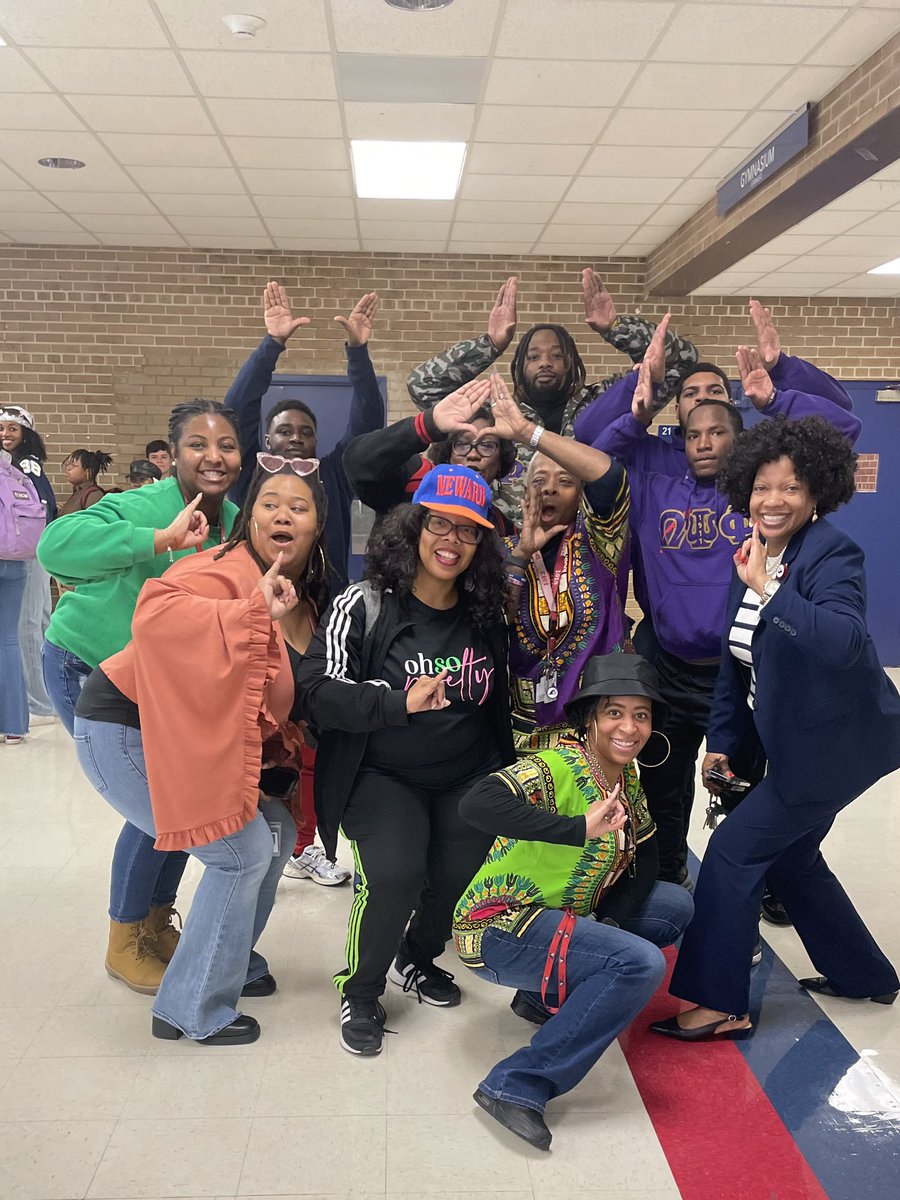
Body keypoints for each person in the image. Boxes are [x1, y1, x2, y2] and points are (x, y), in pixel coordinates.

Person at [579, 321, 862, 893]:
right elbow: (589, 448)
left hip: (747, 664)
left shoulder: (761, 486)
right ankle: (666, 876)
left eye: (717, 410)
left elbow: (842, 429)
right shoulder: (653, 468)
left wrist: (780, 385)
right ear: (677, 428)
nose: (705, 433)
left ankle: (771, 882)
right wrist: (639, 394)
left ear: (739, 429)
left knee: (756, 787)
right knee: (663, 782)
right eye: (692, 416)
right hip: (670, 662)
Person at [651, 415, 900, 1044]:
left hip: (832, 750)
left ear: (817, 493)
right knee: (791, 858)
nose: (773, 500)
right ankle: (864, 974)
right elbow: (739, 663)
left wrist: (767, 588)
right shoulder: (764, 553)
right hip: (797, 743)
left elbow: (843, 643)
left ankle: (719, 1003)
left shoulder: (830, 554)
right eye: (762, 487)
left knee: (733, 853)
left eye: (790, 487)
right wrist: (725, 744)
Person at [73, 458, 328, 1044]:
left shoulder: (305, 599)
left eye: (299, 506)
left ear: (318, 527)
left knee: (276, 833)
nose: (282, 513)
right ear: (250, 518)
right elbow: (156, 616)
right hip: (128, 728)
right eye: (269, 503)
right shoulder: (221, 568)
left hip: (187, 738)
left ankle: (228, 962)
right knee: (240, 851)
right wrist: (249, 609)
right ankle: (190, 1008)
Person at [297, 464, 515, 1057]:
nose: (452, 540)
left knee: (452, 880)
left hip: (466, 774)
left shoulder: (487, 612)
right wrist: (397, 703)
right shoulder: (362, 604)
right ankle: (362, 990)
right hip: (380, 773)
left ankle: (415, 960)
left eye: (469, 531)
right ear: (414, 527)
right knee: (395, 876)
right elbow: (315, 690)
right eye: (439, 524)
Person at [38, 399, 242, 993]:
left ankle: (156, 923)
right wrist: (157, 538)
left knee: (181, 804)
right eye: (198, 445)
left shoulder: (231, 519)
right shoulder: (145, 503)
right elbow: (56, 548)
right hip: (89, 667)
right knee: (155, 811)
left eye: (226, 445)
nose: (213, 456)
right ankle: (124, 940)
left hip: (159, 686)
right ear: (173, 453)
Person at [453, 654, 694, 1151]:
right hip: (499, 926)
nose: (628, 727)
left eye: (641, 715)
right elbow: (476, 803)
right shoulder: (555, 764)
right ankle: (517, 1085)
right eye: (614, 712)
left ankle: (543, 998)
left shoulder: (625, 778)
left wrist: (608, 924)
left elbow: (646, 857)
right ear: (589, 718)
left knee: (673, 906)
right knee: (638, 965)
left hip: (560, 918)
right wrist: (577, 829)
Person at [407, 271, 698, 523]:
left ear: (571, 363)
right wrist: (491, 344)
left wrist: (616, 327)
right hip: (507, 555)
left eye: (556, 356)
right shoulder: (497, 416)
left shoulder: (604, 401)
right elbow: (422, 385)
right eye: (534, 356)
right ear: (520, 366)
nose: (545, 363)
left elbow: (682, 360)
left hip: (588, 557)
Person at [485, 373, 630, 752]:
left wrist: (527, 432)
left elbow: (610, 474)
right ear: (525, 492)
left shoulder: (601, 542)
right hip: (520, 730)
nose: (549, 488)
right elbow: (492, 622)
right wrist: (519, 556)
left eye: (564, 481)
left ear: (580, 495)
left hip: (594, 729)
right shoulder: (501, 549)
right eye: (539, 480)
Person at [226, 281, 385, 589]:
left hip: (325, 613)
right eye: (284, 431)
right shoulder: (251, 475)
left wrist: (358, 354)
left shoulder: (333, 475)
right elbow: (236, 410)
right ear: (268, 441)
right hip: (259, 603)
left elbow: (368, 424)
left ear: (315, 441)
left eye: (306, 433)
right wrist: (272, 343)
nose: (296, 438)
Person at [343, 376, 517, 533]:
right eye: (462, 444)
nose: (472, 454)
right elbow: (358, 462)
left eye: (486, 446)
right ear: (448, 452)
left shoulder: (500, 526)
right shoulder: (416, 480)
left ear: (501, 459)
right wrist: (427, 424)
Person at [0, 404, 57, 725]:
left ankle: (38, 702)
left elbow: (41, 510)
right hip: (31, 549)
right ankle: (45, 695)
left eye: (13, 429)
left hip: (26, 551)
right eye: (2, 429)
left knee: (28, 626)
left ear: (26, 433)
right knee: (40, 622)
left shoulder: (26, 466)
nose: (6, 434)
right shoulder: (15, 465)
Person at [58, 449, 112, 515]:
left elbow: (92, 521)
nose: (68, 468)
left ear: (88, 471)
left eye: (73, 465)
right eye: (67, 464)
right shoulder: (78, 492)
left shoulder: (94, 495)